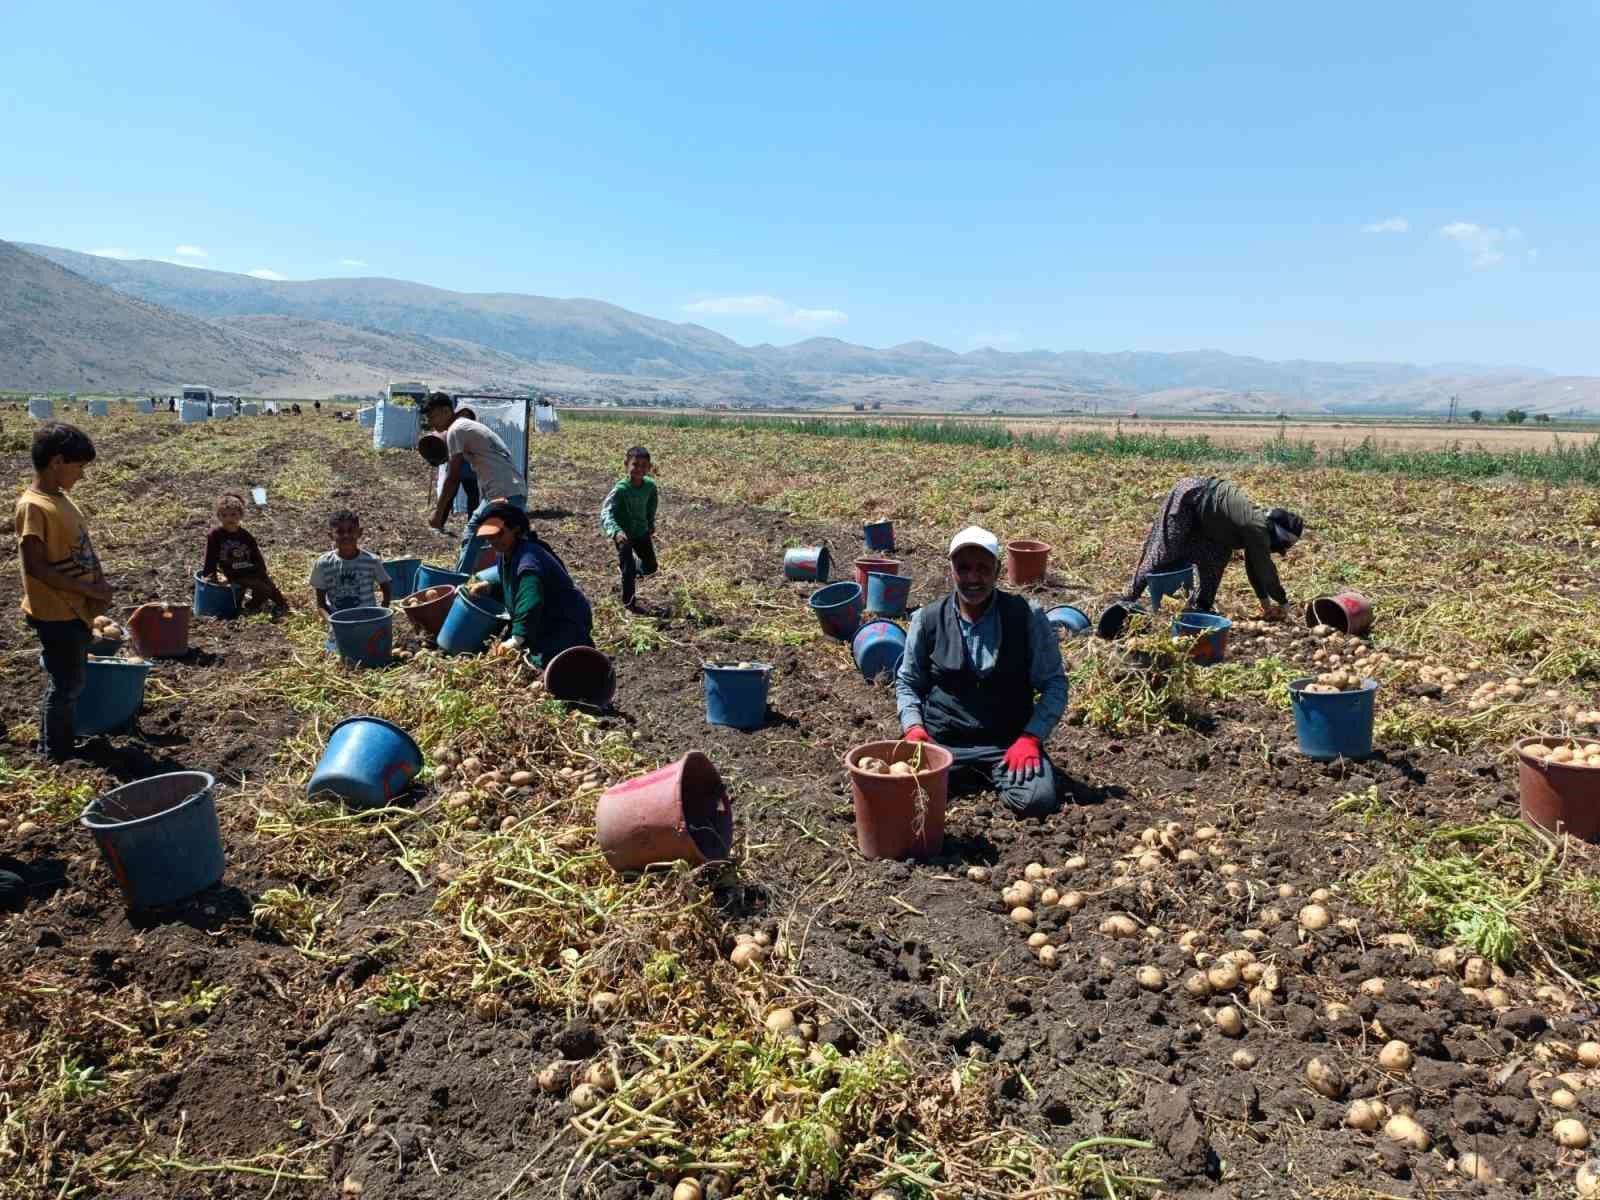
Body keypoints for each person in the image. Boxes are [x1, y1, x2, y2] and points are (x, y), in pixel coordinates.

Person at [895, 526, 1068, 818]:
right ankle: (961, 774)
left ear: (998, 570)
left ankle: (972, 776)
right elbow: (908, 682)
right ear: (951, 570)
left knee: (1038, 800)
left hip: (1006, 743)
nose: (973, 578)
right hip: (945, 742)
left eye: (983, 569)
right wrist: (914, 728)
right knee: (900, 794)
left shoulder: (1026, 616)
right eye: (964, 568)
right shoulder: (927, 619)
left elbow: (1054, 684)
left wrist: (1030, 738)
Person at [14, 423, 112, 762]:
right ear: (57, 461)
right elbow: (36, 568)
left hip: (74, 607)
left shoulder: (61, 499)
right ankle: (54, 750)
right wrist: (88, 587)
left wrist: (99, 583)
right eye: (79, 467)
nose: (82, 475)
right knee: (66, 684)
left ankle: (62, 739)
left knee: (71, 676)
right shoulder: (33, 506)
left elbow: (83, 546)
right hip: (54, 612)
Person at [1119, 476, 1304, 623]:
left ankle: (1201, 608)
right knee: (1163, 553)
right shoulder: (1257, 528)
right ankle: (1126, 600)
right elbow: (1265, 569)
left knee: (1217, 556)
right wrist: (1283, 603)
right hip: (1192, 496)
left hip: (1207, 519)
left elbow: (1254, 567)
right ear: (1279, 536)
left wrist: (1265, 603)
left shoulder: (1256, 530)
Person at [464, 502, 594, 665]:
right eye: (489, 537)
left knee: (543, 664)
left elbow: (530, 600)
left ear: (515, 529)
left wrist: (516, 639)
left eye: (499, 534)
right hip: (543, 620)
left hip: (563, 623)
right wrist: (490, 586)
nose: (493, 541)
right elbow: (510, 580)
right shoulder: (507, 552)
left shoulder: (528, 559)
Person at [420, 392, 527, 573]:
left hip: (502, 494)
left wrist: (438, 514)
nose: (432, 423)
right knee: (505, 544)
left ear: (446, 411)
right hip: (512, 490)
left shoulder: (456, 430)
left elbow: (453, 477)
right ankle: (481, 580)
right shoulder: (468, 426)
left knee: (478, 537)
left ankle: (460, 581)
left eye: (433, 417)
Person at [309, 510, 391, 647]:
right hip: (340, 626)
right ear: (331, 535)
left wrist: (381, 615)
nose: (346, 535)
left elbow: (386, 587)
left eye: (351, 530)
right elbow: (321, 604)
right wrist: (333, 624)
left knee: (371, 651)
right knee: (339, 657)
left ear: (360, 532)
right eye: (340, 532)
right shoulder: (323, 564)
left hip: (368, 623)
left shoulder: (371, 561)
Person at [201, 492, 289, 613]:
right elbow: (210, 557)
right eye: (224, 515)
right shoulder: (215, 535)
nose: (229, 518)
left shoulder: (245, 536)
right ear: (219, 516)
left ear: (240, 515)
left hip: (248, 569)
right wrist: (211, 575)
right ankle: (250, 607)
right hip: (233, 572)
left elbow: (256, 555)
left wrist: (260, 571)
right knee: (263, 589)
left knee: (270, 586)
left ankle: (282, 606)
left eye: (233, 514)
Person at [600, 445, 659, 612]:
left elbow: (651, 505)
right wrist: (615, 531)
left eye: (643, 465)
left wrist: (650, 523)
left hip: (641, 531)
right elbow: (606, 512)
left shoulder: (650, 486)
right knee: (627, 568)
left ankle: (633, 569)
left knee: (651, 566)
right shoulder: (621, 489)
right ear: (626, 464)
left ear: (649, 467)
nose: (639, 469)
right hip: (623, 535)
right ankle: (629, 603)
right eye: (635, 464)